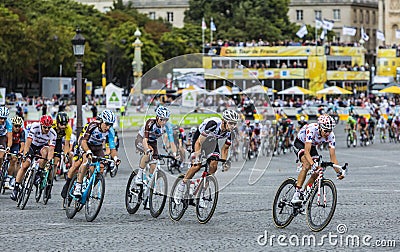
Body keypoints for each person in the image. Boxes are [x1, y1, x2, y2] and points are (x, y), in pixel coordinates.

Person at [174, 109, 239, 203]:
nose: (233, 126)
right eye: (231, 123)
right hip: (199, 139)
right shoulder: (213, 124)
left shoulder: (231, 133)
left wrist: (224, 162)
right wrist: (197, 155)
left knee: (214, 165)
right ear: (224, 121)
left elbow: (225, 149)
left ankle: (201, 193)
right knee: (197, 165)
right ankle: (181, 186)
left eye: (235, 124)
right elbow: (199, 142)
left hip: (212, 142)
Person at [291, 114, 344, 204]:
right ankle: (296, 194)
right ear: (320, 127)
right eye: (326, 131)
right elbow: (307, 152)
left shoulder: (331, 136)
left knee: (318, 170)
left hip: (312, 146)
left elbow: (333, 157)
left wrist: (339, 171)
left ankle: (303, 195)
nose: (327, 133)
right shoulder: (312, 129)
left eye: (330, 131)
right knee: (307, 164)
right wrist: (312, 164)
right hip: (300, 143)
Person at [68, 110, 120, 197]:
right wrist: (88, 151)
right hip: (86, 144)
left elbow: (112, 148)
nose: (108, 127)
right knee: (86, 160)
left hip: (97, 147)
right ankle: (78, 185)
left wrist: (115, 158)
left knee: (102, 167)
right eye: (106, 124)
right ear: (101, 121)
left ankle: (89, 186)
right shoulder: (92, 126)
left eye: (110, 125)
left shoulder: (110, 131)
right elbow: (83, 141)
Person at [11, 115, 56, 201]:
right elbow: (28, 142)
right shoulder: (35, 126)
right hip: (32, 145)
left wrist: (50, 161)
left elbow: (51, 149)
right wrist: (25, 154)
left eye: (49, 127)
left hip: (42, 147)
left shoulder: (53, 133)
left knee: (45, 152)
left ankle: (39, 172)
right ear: (41, 124)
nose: (47, 129)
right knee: (25, 165)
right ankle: (16, 188)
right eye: (45, 127)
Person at [134, 106, 172, 185]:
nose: (164, 122)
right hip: (141, 139)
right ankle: (139, 176)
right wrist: (147, 149)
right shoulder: (150, 122)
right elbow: (145, 139)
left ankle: (149, 182)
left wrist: (173, 152)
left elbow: (169, 139)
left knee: (154, 163)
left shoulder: (167, 126)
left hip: (153, 142)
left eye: (166, 120)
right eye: (162, 119)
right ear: (157, 117)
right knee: (149, 153)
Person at [5, 116, 25, 189]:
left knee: (14, 159)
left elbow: (22, 144)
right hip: (6, 143)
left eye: (19, 126)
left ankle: (8, 179)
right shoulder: (8, 129)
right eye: (16, 126)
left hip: (15, 145)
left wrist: (20, 152)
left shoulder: (22, 131)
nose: (17, 128)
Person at [52, 112, 73, 178]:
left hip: (58, 141)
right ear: (57, 123)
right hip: (49, 140)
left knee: (56, 162)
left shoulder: (68, 128)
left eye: (65, 124)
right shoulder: (52, 125)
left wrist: (65, 154)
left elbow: (67, 144)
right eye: (61, 124)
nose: (63, 126)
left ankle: (51, 179)